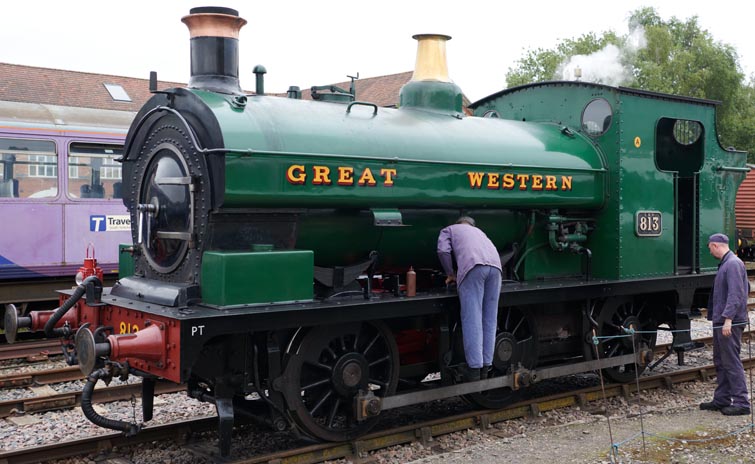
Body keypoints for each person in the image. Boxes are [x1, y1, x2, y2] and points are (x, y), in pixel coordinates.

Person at [437, 216, 502, 381]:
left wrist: (450, 273)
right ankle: (486, 366)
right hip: (496, 268)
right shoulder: (480, 232)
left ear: (459, 223)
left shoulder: (449, 229)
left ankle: (474, 370)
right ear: (472, 224)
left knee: (472, 317)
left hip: (473, 267)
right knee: (489, 318)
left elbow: (443, 251)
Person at [699, 233, 751, 416]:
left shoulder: (733, 264)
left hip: (730, 322)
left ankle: (741, 402)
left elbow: (736, 294)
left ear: (714, 246)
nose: (710, 251)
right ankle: (722, 399)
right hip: (722, 320)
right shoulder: (728, 264)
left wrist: (728, 319)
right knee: (721, 360)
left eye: (709, 248)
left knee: (731, 361)